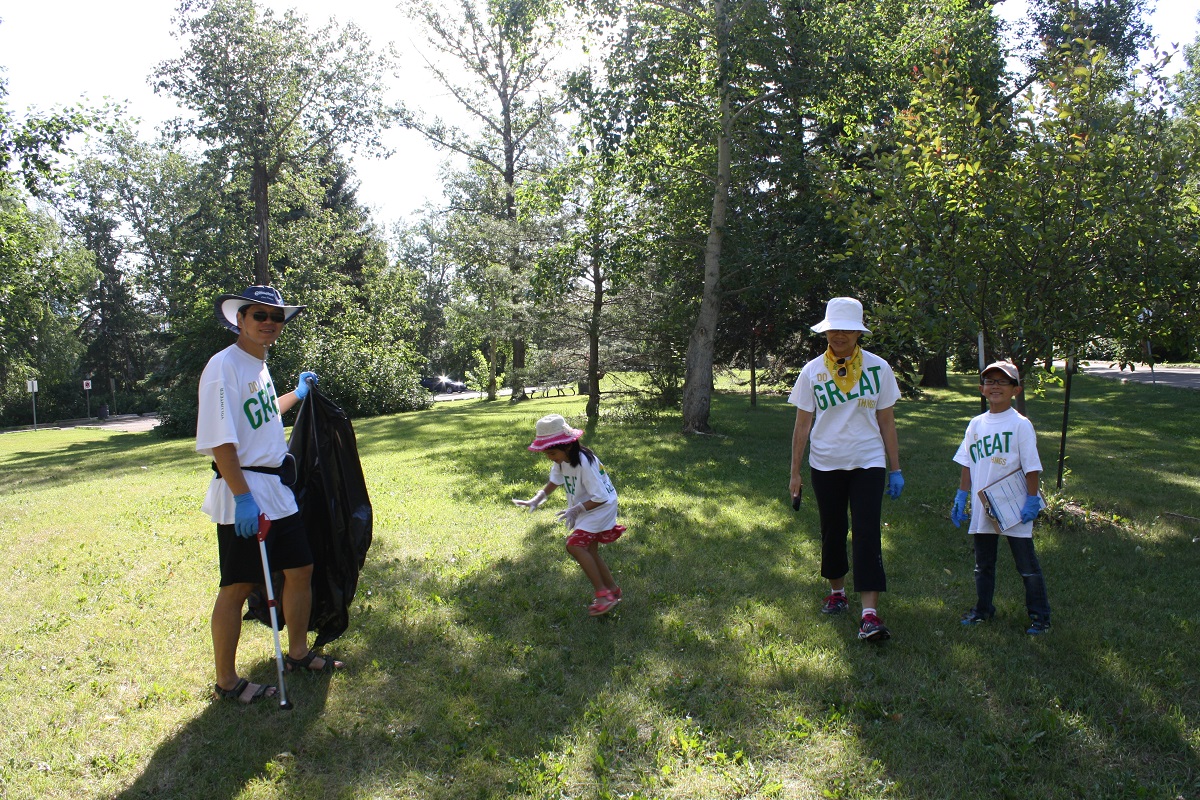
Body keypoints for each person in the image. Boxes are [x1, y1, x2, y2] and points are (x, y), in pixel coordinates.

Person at [197, 285, 344, 704]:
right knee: (238, 585)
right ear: (239, 319)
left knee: (301, 569)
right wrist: (242, 498)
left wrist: (295, 396)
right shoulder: (223, 366)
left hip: (277, 490)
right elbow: (221, 441)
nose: (268, 322)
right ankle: (226, 681)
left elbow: (258, 415)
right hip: (243, 489)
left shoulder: (258, 364)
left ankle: (297, 652)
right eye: (258, 314)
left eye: (276, 317)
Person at [788, 297, 903, 641]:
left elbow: (887, 422)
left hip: (868, 461)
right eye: (833, 329)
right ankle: (837, 594)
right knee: (832, 530)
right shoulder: (813, 371)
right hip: (825, 463)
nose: (839, 335)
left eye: (846, 329)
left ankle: (870, 614)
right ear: (825, 332)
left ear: (858, 333)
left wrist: (895, 468)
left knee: (867, 532)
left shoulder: (878, 368)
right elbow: (802, 425)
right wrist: (795, 473)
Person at [950, 360, 1051, 634]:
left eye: (1002, 382)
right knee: (983, 565)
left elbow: (1031, 466)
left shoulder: (1020, 424)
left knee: (1026, 566)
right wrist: (962, 495)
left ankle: (1040, 616)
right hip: (985, 505)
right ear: (982, 389)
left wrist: (1032, 500)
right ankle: (983, 609)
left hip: (1014, 504)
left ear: (1015, 390)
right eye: (990, 381)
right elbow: (967, 463)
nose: (995, 386)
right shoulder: (976, 424)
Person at [514, 414, 625, 616]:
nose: (550, 458)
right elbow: (554, 481)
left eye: (552, 453)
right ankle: (613, 590)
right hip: (588, 506)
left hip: (600, 507)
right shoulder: (562, 460)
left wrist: (576, 509)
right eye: (547, 454)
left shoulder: (584, 462)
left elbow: (600, 497)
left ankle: (603, 595)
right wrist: (537, 499)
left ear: (566, 445)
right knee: (590, 551)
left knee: (574, 545)